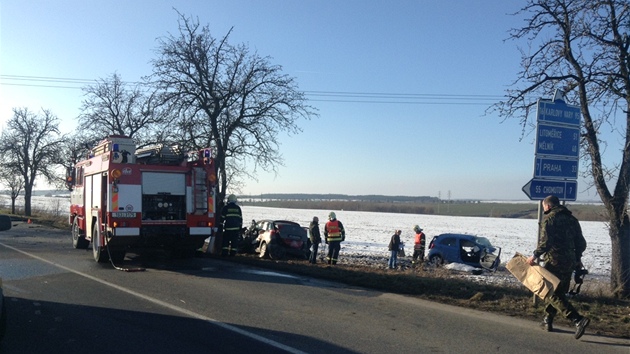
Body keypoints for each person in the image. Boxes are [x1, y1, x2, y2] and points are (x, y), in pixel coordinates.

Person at [526, 195, 589, 339]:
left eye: (544, 207)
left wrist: (534, 256)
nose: (544, 209)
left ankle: (577, 319)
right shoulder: (572, 220)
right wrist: (577, 258)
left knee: (550, 292)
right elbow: (581, 243)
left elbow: (545, 242)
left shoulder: (550, 219)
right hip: (570, 262)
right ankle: (548, 320)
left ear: (547, 206)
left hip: (554, 261)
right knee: (559, 292)